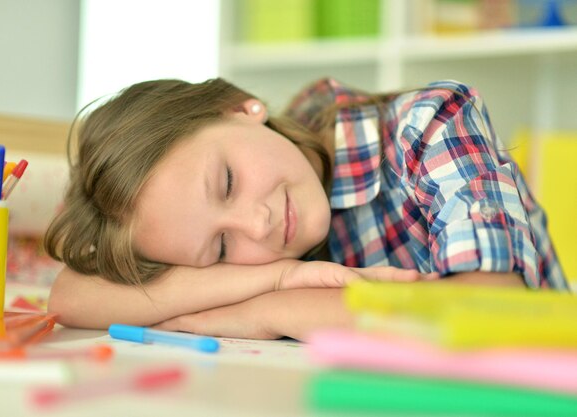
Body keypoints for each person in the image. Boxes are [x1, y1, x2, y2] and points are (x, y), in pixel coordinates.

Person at [44, 77, 568, 341]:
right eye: (221, 247)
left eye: (227, 182)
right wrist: (280, 278)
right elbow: (70, 297)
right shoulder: (270, 202)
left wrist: (267, 312)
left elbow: (489, 305)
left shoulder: (427, 123)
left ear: (242, 108)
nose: (257, 224)